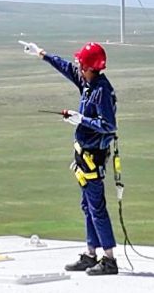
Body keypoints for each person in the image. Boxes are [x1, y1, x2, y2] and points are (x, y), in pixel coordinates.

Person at [25, 38, 124, 274]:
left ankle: (109, 259)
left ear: (91, 68)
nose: (78, 67)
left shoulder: (101, 90)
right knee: (88, 206)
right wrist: (42, 53)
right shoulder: (88, 84)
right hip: (83, 157)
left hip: (93, 158)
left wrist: (82, 120)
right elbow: (67, 68)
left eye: (82, 64)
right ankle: (91, 254)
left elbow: (109, 125)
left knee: (97, 207)